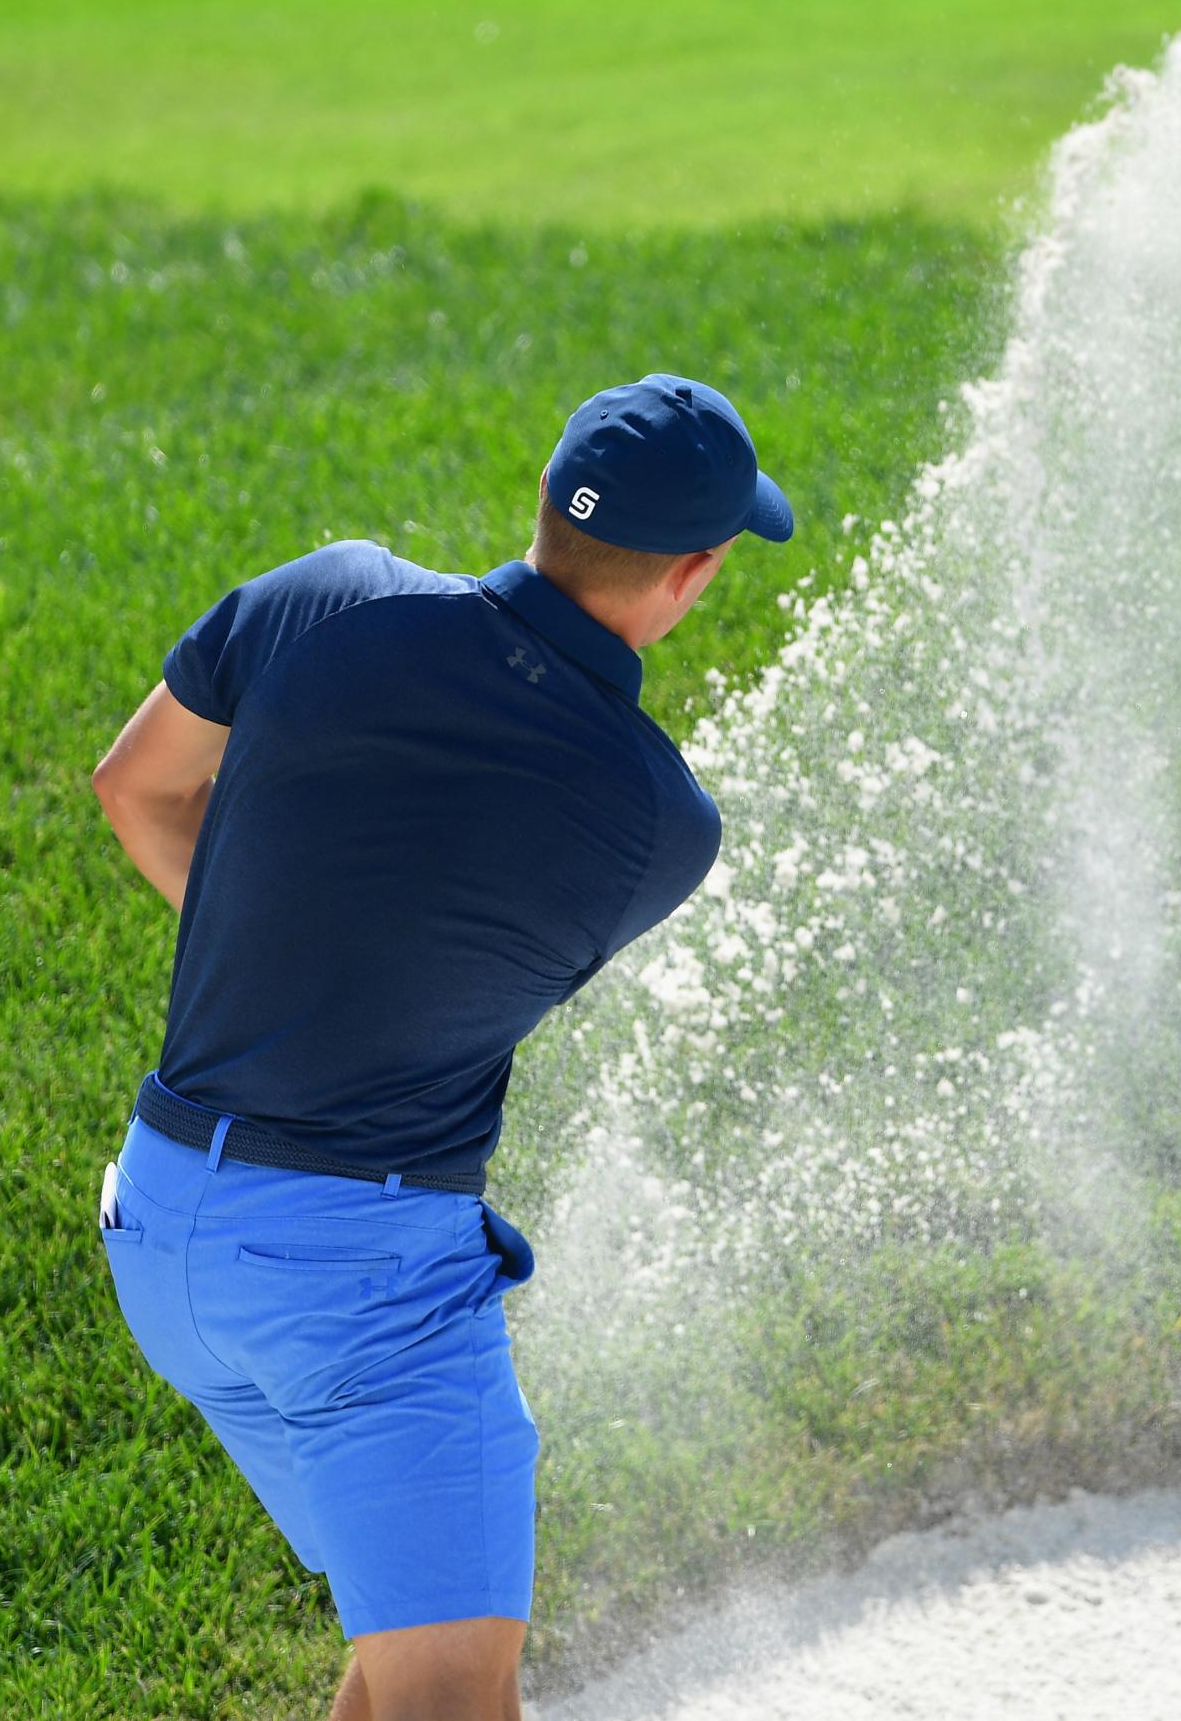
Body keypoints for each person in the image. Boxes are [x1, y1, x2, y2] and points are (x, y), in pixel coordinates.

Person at [88, 373, 794, 1720]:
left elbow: (138, 786)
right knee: (454, 1697)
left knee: (409, 1655)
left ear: (542, 500)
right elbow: (433, 962)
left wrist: (269, 937)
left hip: (166, 1226)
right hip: (358, 1288)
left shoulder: (326, 595)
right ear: (691, 577)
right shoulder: (659, 824)